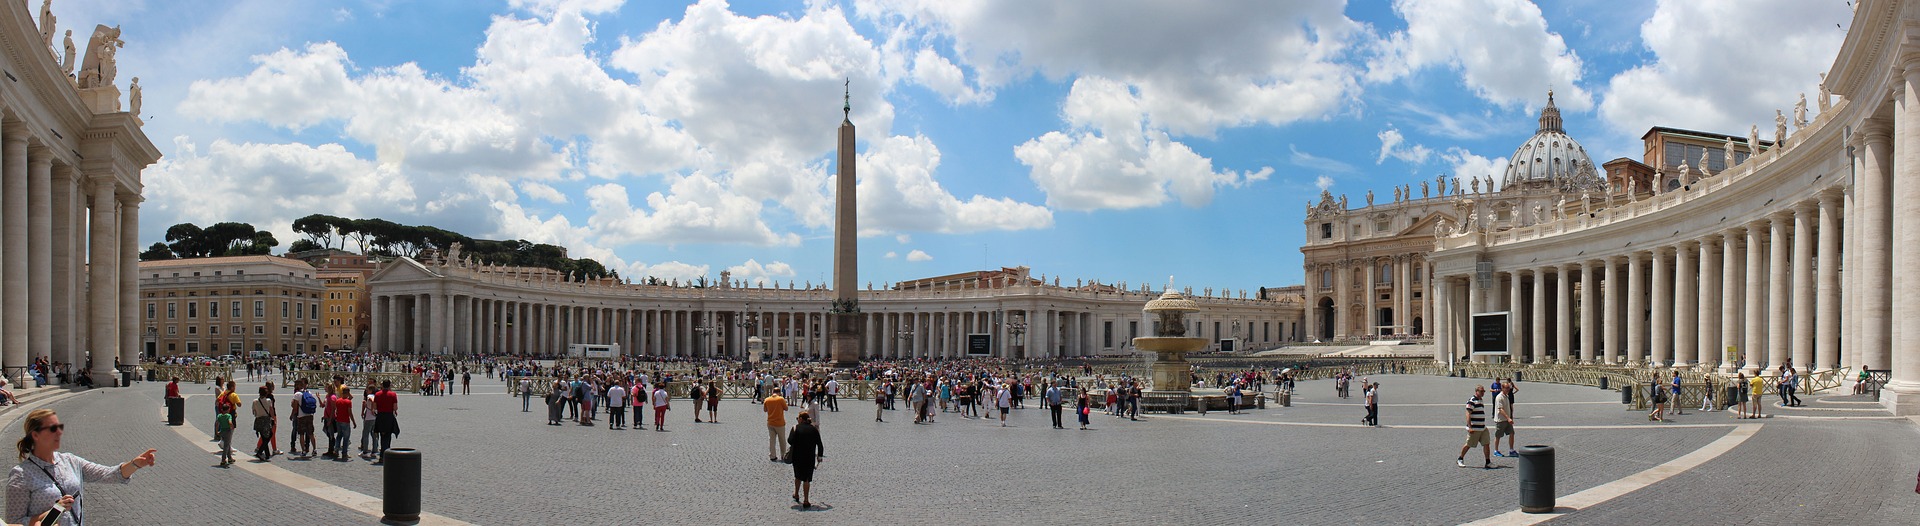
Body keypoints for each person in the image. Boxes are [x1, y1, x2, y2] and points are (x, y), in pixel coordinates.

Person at [7, 409, 157, 526]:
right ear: (36, 435)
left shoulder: (70, 460)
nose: (59, 432)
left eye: (59, 427)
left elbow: (107, 474)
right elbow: (14, 523)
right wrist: (53, 512)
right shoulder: (21, 475)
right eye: (52, 428)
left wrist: (136, 464)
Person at [786, 412, 824, 509]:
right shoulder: (814, 429)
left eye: (797, 418)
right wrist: (819, 456)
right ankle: (806, 500)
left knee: (798, 476)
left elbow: (790, 441)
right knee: (807, 479)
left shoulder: (795, 428)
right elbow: (820, 444)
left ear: (801, 419)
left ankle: (796, 493)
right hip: (809, 457)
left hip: (797, 456)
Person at [1456, 384, 1492, 469]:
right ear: (1476, 391)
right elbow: (1468, 414)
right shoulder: (1472, 401)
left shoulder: (1481, 400)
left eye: (1484, 391)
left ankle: (1488, 462)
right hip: (1474, 428)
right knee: (1468, 444)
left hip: (1482, 428)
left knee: (1486, 444)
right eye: (1481, 391)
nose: (1483, 393)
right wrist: (1470, 427)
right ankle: (1460, 458)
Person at [372, 380, 400, 464]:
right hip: (389, 416)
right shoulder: (393, 394)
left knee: (382, 435)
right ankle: (384, 455)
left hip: (380, 416)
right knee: (388, 435)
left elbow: (375, 407)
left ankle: (384, 454)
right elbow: (395, 408)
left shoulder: (377, 394)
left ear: (382, 385)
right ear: (389, 385)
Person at [251, 385, 276, 462]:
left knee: (263, 436)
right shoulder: (268, 401)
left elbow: (253, 412)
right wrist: (273, 419)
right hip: (266, 420)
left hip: (258, 420)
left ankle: (267, 455)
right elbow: (271, 411)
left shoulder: (255, 401)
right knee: (269, 435)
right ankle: (260, 452)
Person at [329, 387, 354, 462]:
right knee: (346, 438)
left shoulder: (338, 400)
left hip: (338, 421)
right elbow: (350, 413)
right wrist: (354, 422)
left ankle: (336, 450)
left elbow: (335, 410)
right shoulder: (348, 402)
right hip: (345, 421)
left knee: (339, 436)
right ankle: (344, 453)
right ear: (347, 393)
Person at [764, 390, 789, 462]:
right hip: (779, 422)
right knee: (782, 440)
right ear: (779, 392)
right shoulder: (781, 399)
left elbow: (765, 410)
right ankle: (783, 455)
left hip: (770, 422)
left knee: (771, 440)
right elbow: (786, 408)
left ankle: (772, 455)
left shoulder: (767, 399)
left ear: (772, 392)